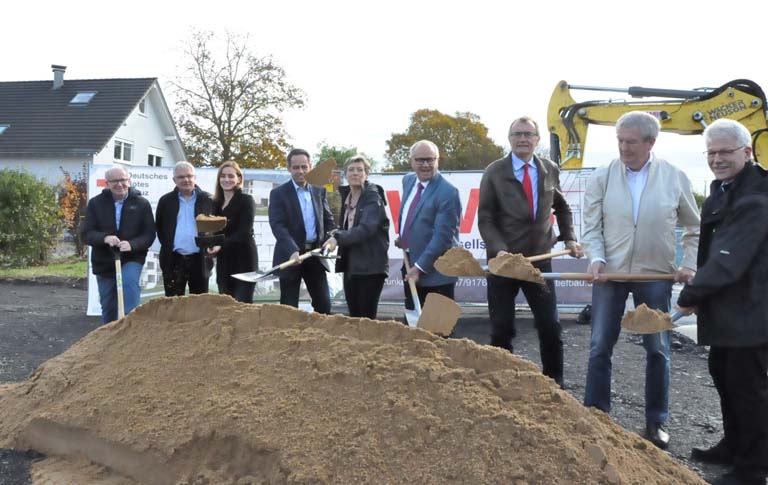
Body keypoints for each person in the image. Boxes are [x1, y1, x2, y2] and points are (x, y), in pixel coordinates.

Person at [581, 111, 700, 450]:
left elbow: (695, 227)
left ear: (651, 142)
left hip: (654, 274)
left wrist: (688, 264)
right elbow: (591, 227)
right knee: (600, 344)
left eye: (631, 142)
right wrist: (597, 258)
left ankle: (656, 420)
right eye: (620, 140)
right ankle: (596, 414)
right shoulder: (603, 177)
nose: (624, 147)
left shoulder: (674, 177)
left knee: (657, 349)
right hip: (611, 274)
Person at [677, 119, 768, 485]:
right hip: (728, 309)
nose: (716, 158)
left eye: (725, 152)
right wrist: (699, 283)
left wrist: (690, 296)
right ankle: (733, 446)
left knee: (749, 390)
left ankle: (754, 468)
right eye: (711, 152)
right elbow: (712, 250)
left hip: (752, 309)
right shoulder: (723, 189)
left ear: (747, 152)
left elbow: (729, 257)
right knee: (725, 377)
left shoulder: (756, 198)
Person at [478, 116, 583, 388]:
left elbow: (562, 207)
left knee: (550, 326)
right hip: (504, 264)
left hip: (539, 263)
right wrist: (500, 252)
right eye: (517, 134)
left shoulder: (549, 169)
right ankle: (500, 381)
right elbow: (486, 218)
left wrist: (569, 238)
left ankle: (555, 384)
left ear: (537, 140)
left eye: (528, 134)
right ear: (510, 139)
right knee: (502, 328)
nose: (522, 139)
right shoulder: (494, 171)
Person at [84, 166, 155, 323]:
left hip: (131, 258)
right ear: (107, 183)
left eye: (123, 180)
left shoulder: (141, 203)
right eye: (114, 181)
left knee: (129, 286)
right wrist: (104, 238)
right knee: (108, 305)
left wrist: (132, 244)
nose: (119, 184)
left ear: (129, 181)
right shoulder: (96, 204)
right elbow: (86, 233)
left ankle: (130, 333)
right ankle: (109, 339)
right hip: (104, 260)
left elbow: (149, 234)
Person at [395, 140, 461, 308]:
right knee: (413, 323)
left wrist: (419, 268)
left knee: (438, 329)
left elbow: (443, 239)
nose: (425, 165)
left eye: (430, 160)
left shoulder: (448, 192)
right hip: (409, 263)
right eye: (420, 160)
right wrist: (404, 237)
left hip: (437, 272)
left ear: (437, 160)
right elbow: (413, 215)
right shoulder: (408, 181)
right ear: (411, 161)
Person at [268, 148, 336, 314]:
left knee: (324, 305)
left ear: (310, 166)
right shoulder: (278, 193)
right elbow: (278, 226)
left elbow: (328, 221)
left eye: (304, 167)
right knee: (289, 309)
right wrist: (292, 250)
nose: (301, 171)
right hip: (290, 257)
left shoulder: (319, 191)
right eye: (296, 167)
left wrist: (332, 237)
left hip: (314, 255)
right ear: (289, 168)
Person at [322, 155, 389, 319]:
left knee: (366, 320)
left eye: (360, 170)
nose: (355, 173)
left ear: (366, 174)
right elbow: (349, 227)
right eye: (351, 170)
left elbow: (366, 229)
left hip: (371, 268)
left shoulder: (373, 196)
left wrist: (337, 237)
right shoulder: (347, 196)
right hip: (352, 266)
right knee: (354, 318)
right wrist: (333, 234)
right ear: (345, 174)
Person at [156, 161, 214, 296]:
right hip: (174, 260)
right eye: (181, 177)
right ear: (174, 180)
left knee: (199, 305)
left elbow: (216, 226)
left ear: (195, 177)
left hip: (200, 260)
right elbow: (160, 228)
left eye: (189, 176)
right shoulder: (165, 201)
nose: (186, 180)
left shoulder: (208, 199)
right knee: (173, 305)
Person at [207, 161, 258, 303]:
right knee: (227, 306)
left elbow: (244, 232)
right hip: (224, 263)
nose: (226, 179)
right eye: (222, 176)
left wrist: (220, 244)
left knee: (243, 307)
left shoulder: (246, 200)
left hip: (245, 262)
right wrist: (209, 244)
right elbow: (214, 231)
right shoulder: (215, 204)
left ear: (239, 179)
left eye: (231, 176)